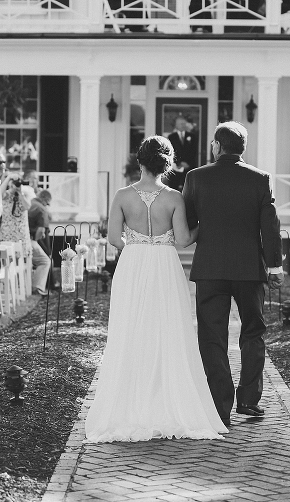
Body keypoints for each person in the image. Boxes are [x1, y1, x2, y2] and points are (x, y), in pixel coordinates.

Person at [85, 135, 226, 443]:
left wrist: (135, 247)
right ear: (167, 164)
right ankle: (168, 403)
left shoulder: (123, 194)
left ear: (139, 161)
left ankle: (132, 404)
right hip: (165, 265)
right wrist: (206, 223)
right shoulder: (174, 197)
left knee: (131, 330)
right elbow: (184, 239)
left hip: (133, 264)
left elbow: (112, 239)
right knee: (168, 330)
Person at [183, 121, 283, 426]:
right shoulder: (259, 179)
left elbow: (186, 223)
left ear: (216, 145)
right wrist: (275, 265)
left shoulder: (196, 177)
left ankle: (219, 406)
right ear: (242, 148)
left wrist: (211, 225)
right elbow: (270, 225)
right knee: (253, 331)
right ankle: (249, 401)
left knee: (212, 335)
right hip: (249, 268)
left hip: (210, 267)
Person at [0, 171, 32, 257]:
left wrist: (20, 193)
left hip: (21, 233)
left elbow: (27, 206)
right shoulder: (6, 194)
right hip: (7, 232)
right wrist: (9, 178)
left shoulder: (25, 194)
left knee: (22, 261)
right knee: (7, 259)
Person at [27, 189, 53, 296]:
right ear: (44, 199)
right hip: (30, 240)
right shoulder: (42, 209)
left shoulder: (30, 203)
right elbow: (41, 230)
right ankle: (37, 287)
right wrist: (36, 240)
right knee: (45, 261)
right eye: (47, 203)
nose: (47, 205)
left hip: (20, 239)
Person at [164, 115, 198, 192]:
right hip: (176, 168)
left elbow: (194, 151)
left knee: (189, 190)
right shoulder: (171, 137)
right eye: (181, 123)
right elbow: (171, 152)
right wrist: (179, 163)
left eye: (184, 123)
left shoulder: (192, 136)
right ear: (176, 125)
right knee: (175, 189)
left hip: (189, 167)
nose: (183, 125)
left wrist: (187, 163)